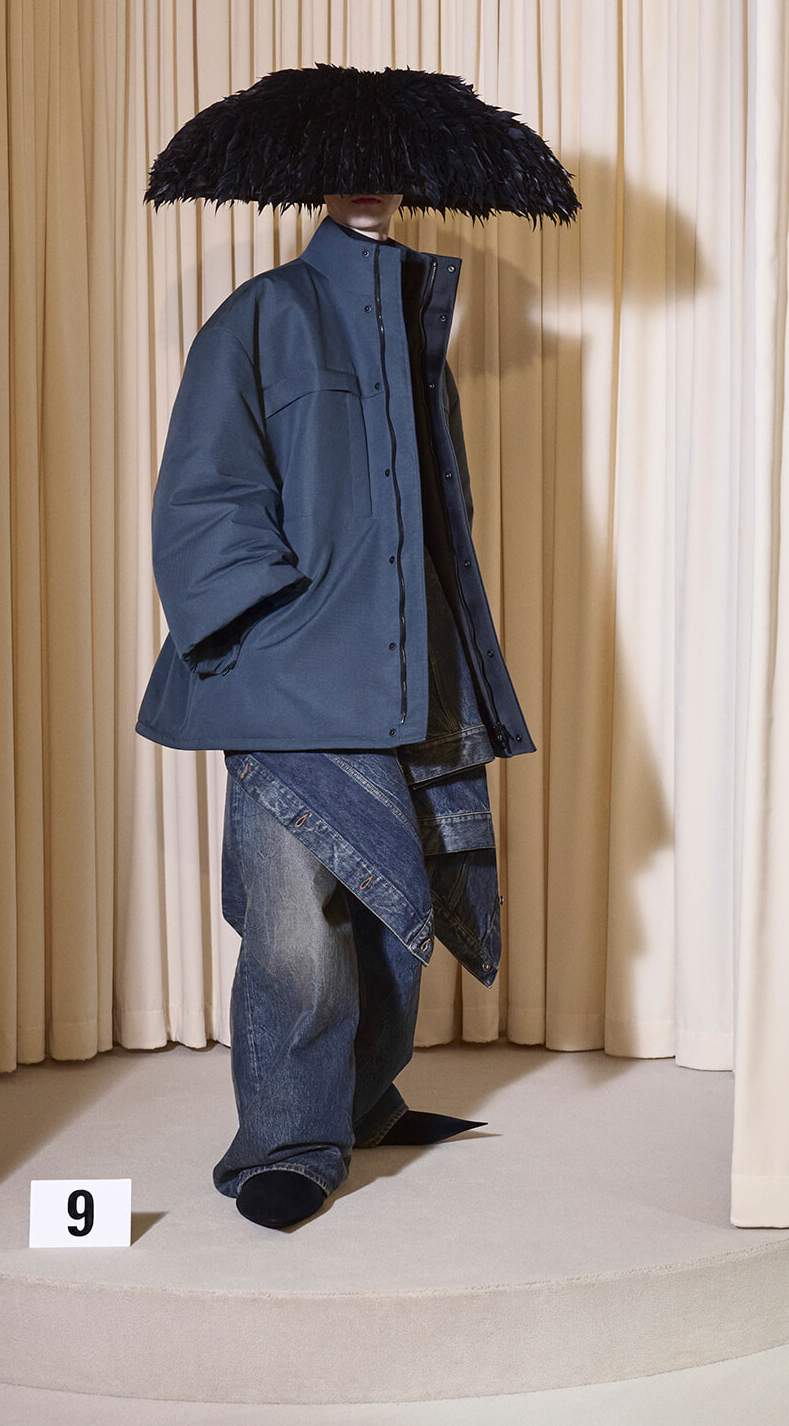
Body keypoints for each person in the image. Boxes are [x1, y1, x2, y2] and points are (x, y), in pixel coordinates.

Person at [136, 193, 537, 1227]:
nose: (371, 189)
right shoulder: (260, 316)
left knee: (391, 907)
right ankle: (288, 1142)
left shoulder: (416, 330)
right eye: (348, 170)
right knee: (292, 927)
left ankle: (359, 1100)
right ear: (314, 183)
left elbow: (443, 518)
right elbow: (201, 491)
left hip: (405, 668)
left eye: (387, 173)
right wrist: (278, 626)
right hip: (289, 675)